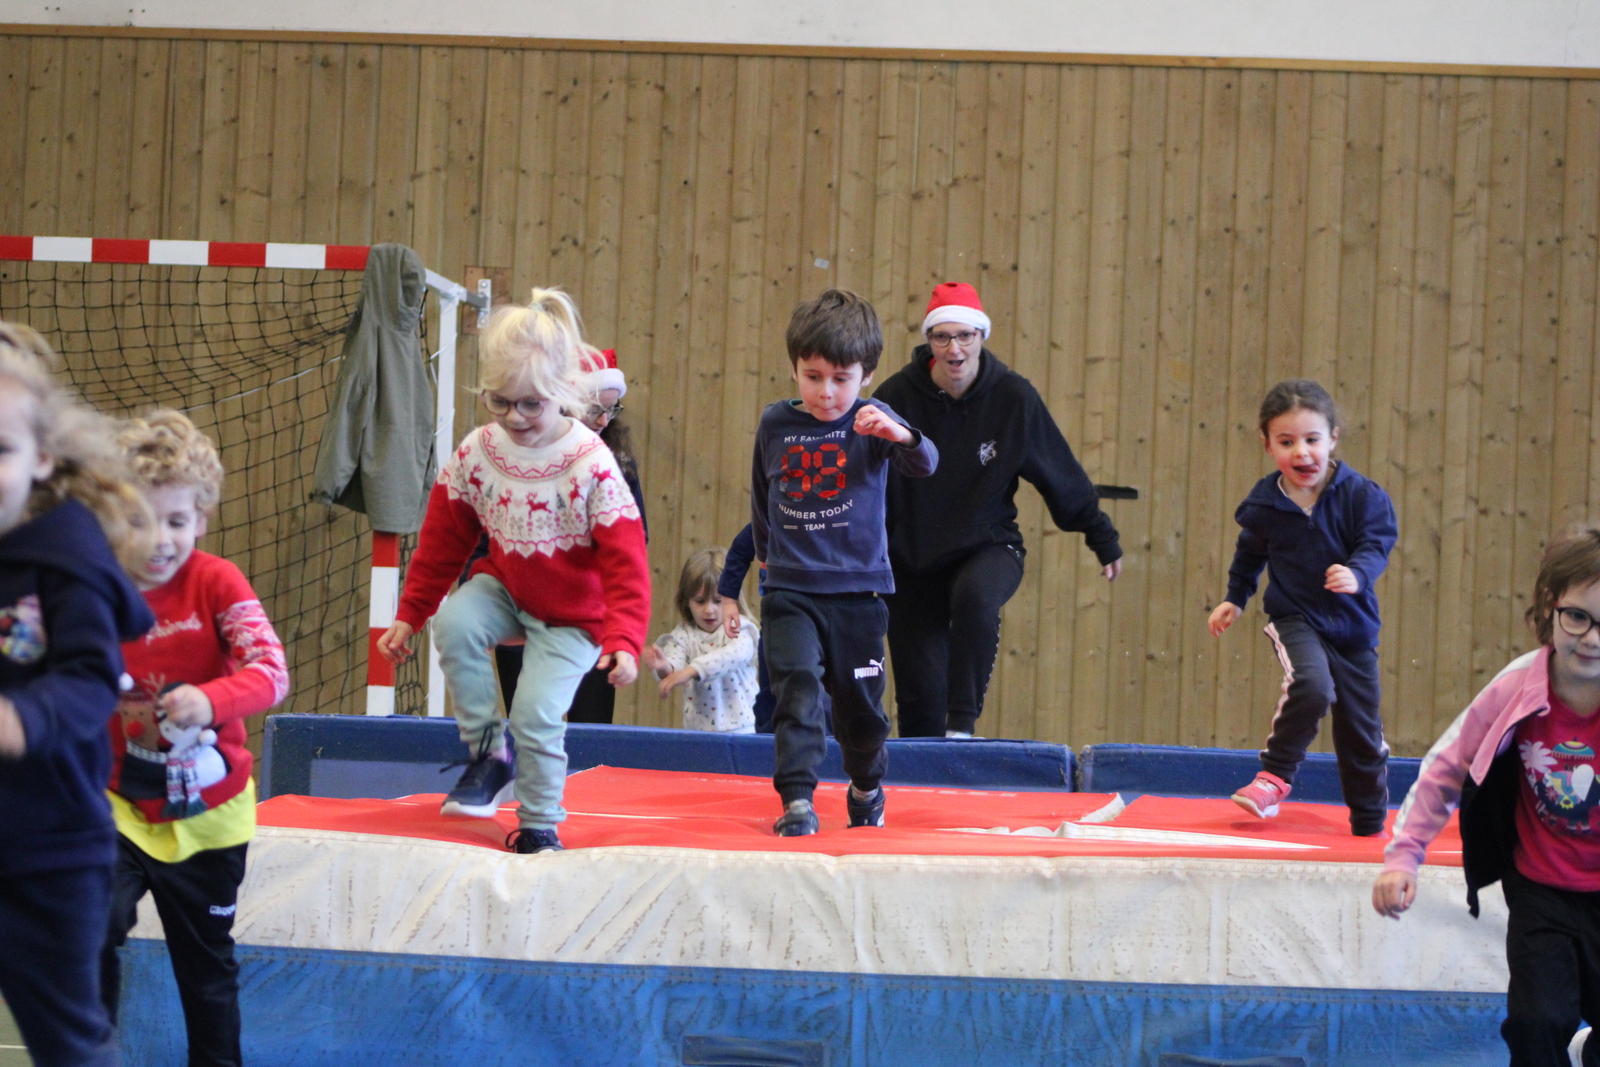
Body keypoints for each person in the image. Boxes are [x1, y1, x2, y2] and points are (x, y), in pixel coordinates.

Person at [377, 289, 649, 854]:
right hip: (507, 588)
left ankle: (540, 821)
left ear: (563, 393)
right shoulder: (480, 452)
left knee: (535, 712)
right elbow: (443, 541)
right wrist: (411, 613)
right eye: (498, 402)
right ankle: (488, 753)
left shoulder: (589, 463)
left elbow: (626, 560)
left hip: (575, 616)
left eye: (530, 405)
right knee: (454, 624)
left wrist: (624, 637)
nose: (514, 418)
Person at [100, 410, 289, 1067]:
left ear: (202, 518)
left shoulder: (215, 581)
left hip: (209, 812)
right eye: (139, 521)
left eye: (176, 521)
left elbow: (271, 672)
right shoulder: (94, 588)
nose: (159, 541)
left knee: (205, 970)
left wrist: (211, 699)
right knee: (89, 926)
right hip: (119, 805)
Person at [1374, 526, 1600, 1066]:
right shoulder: (1517, 689)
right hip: (1542, 889)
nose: (1592, 639)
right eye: (1578, 617)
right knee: (1536, 1021)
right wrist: (1404, 857)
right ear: (1550, 606)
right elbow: (1445, 767)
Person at [0, 322, 155, 1067]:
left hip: (49, 851)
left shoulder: (64, 557)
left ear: (40, 458)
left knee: (69, 1043)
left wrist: (20, 719)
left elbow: (91, 678)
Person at [870, 282, 1122, 739]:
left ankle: (962, 727)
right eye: (942, 337)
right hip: (912, 558)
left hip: (986, 545)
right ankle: (925, 765)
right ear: (929, 341)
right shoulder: (898, 398)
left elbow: (1059, 473)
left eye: (965, 336)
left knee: (976, 597)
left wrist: (1101, 536)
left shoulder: (1013, 398)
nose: (954, 349)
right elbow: (864, 478)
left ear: (981, 336)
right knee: (920, 703)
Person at [752, 289, 937, 836]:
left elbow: (926, 462)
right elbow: (762, 498)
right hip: (790, 590)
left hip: (857, 594)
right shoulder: (775, 424)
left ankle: (866, 787)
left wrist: (900, 434)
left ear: (866, 375)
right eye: (812, 377)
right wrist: (766, 559)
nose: (826, 392)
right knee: (796, 691)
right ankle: (797, 800)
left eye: (841, 379)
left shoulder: (873, 421)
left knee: (860, 715)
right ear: (794, 369)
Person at [1207, 379, 1397, 836]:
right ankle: (1274, 777)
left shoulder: (1361, 495)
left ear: (1333, 438)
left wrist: (1358, 574)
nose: (1302, 453)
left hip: (1353, 629)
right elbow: (1249, 554)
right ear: (1268, 445)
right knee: (1312, 684)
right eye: (1287, 442)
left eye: (1312, 439)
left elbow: (1376, 543)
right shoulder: (1264, 505)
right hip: (1296, 618)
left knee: (1362, 733)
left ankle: (1369, 820)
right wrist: (1235, 597)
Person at [481, 344, 644, 725]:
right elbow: (481, 542)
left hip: (589, 621)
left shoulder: (617, 464)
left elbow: (634, 549)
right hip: (522, 617)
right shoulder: (511, 459)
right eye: (595, 409)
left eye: (612, 409)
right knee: (529, 727)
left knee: (590, 730)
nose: (603, 419)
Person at [644, 546, 759, 733]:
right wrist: (665, 667)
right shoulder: (684, 635)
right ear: (686, 602)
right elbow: (675, 663)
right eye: (700, 601)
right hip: (698, 733)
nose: (709, 610)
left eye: (718, 600)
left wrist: (691, 670)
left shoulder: (740, 629)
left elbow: (730, 656)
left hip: (743, 730)